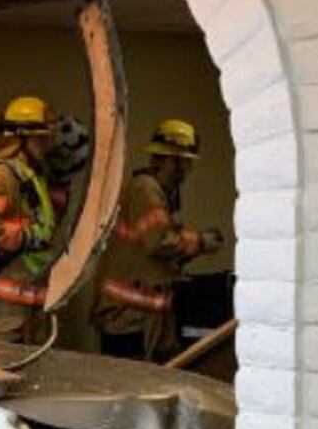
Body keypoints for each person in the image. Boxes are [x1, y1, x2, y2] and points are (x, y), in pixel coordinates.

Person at [91, 119, 224, 361]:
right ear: (163, 159)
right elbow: (159, 242)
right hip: (128, 318)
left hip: (141, 318)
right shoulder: (146, 189)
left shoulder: (153, 192)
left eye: (188, 164)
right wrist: (201, 242)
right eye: (181, 163)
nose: (184, 173)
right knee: (131, 390)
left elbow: (155, 251)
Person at [0, 96, 61, 343]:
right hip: (2, 313)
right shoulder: (0, 175)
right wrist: (26, 237)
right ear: (20, 138)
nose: (47, 144)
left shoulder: (31, 176)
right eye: (41, 138)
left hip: (30, 310)